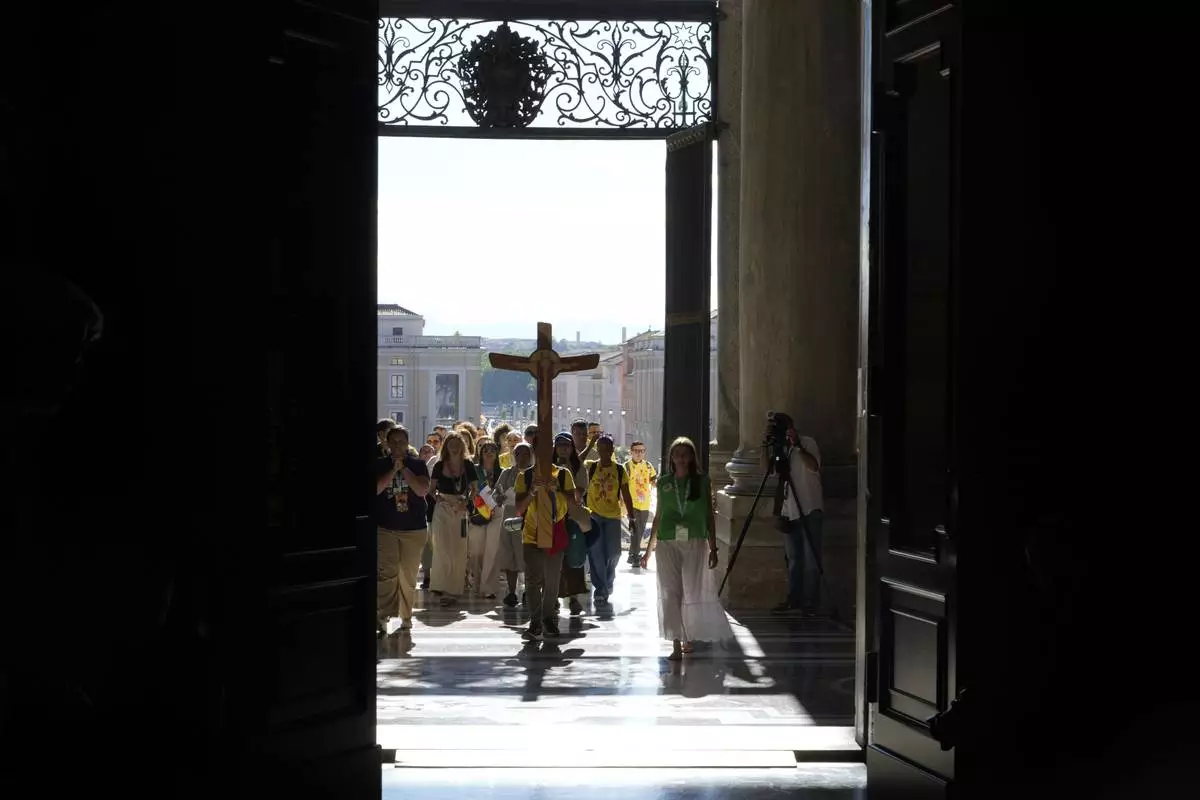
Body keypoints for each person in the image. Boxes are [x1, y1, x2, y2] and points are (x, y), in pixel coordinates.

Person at [641, 436, 732, 659]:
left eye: (685, 454)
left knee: (690, 590)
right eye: (677, 454)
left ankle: (687, 637)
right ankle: (675, 643)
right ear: (671, 458)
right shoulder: (663, 482)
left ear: (691, 457)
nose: (681, 458)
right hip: (667, 541)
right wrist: (648, 550)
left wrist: (713, 547)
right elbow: (659, 515)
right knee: (671, 591)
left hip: (694, 541)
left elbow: (709, 515)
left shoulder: (702, 481)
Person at [513, 444, 579, 640]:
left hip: (555, 533)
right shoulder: (524, 476)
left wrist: (557, 490)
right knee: (532, 580)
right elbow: (519, 508)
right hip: (531, 534)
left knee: (552, 580)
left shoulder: (563, 474)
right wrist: (533, 491)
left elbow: (574, 502)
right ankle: (535, 622)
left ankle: (548, 618)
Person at [765, 413, 824, 616]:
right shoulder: (779, 448)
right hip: (789, 511)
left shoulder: (808, 442)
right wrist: (766, 446)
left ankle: (811, 602)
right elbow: (767, 470)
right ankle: (794, 599)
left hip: (810, 508)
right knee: (793, 559)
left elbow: (814, 466)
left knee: (811, 560)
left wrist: (797, 445)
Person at [375, 425, 431, 634]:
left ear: (408, 444)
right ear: (387, 443)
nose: (398, 446)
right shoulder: (379, 464)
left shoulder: (417, 464)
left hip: (413, 528)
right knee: (386, 573)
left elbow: (422, 489)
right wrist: (393, 470)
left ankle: (406, 616)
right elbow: (376, 489)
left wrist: (404, 469)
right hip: (386, 527)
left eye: (402, 442)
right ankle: (383, 615)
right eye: (394, 442)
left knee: (408, 575)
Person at [428, 431, 475, 607]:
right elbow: (431, 489)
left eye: (457, 444)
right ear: (446, 446)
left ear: (462, 446)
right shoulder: (439, 465)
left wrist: (466, 503)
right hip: (443, 508)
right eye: (451, 444)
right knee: (441, 547)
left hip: (461, 509)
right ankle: (441, 586)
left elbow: (474, 489)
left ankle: (453, 590)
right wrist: (438, 499)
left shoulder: (468, 465)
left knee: (458, 549)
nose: (454, 447)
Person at [552, 432, 590, 616]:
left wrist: (564, 480)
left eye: (567, 445)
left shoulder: (578, 467)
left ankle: (574, 598)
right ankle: (554, 598)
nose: (563, 449)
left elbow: (578, 494)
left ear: (572, 448)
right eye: (560, 445)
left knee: (574, 559)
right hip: (553, 518)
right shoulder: (548, 467)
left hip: (572, 518)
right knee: (554, 559)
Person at [493, 441, 532, 607]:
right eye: (518, 454)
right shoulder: (507, 473)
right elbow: (496, 492)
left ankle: (529, 591)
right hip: (509, 514)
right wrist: (499, 497)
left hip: (528, 516)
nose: (521, 457)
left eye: (525, 454)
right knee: (509, 553)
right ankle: (511, 592)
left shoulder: (533, 473)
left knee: (526, 554)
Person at [468, 439, 505, 599]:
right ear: (480, 453)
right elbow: (469, 490)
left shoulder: (502, 472)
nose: (489, 453)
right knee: (476, 551)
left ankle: (489, 587)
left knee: (492, 550)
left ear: (497, 454)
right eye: (485, 450)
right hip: (478, 511)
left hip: (496, 512)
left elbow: (504, 493)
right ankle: (476, 582)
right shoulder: (474, 471)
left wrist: (497, 499)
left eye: (492, 450)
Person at [625, 440, 658, 566]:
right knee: (635, 529)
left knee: (640, 529)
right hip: (631, 504)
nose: (639, 453)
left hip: (644, 504)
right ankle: (635, 555)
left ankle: (632, 554)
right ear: (631, 452)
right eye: (636, 451)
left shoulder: (648, 466)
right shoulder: (626, 466)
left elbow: (653, 481)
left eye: (642, 451)